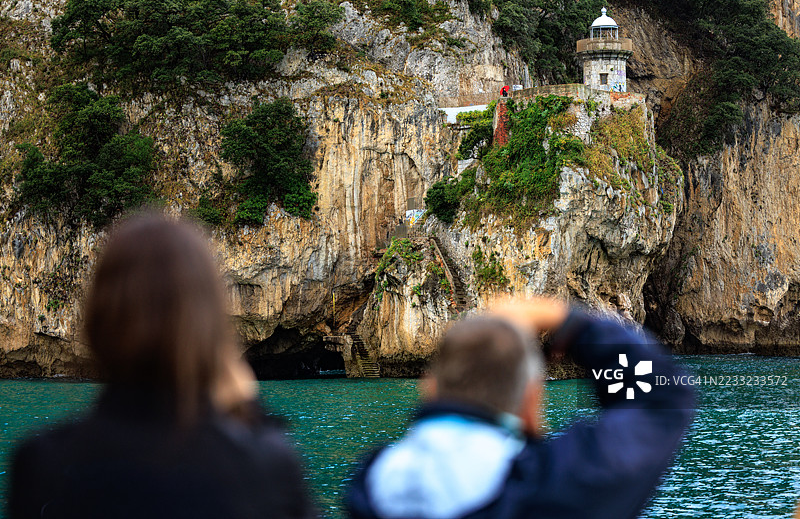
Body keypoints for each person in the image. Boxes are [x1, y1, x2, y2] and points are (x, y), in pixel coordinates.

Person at [9, 213, 314, 519]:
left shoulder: (42, 465)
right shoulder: (264, 466)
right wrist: (248, 410)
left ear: (96, 322)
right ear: (209, 327)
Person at [346, 298, 695, 519]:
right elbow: (663, 401)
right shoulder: (544, 484)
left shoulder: (369, 483)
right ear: (531, 401)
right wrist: (570, 322)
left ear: (429, 388)